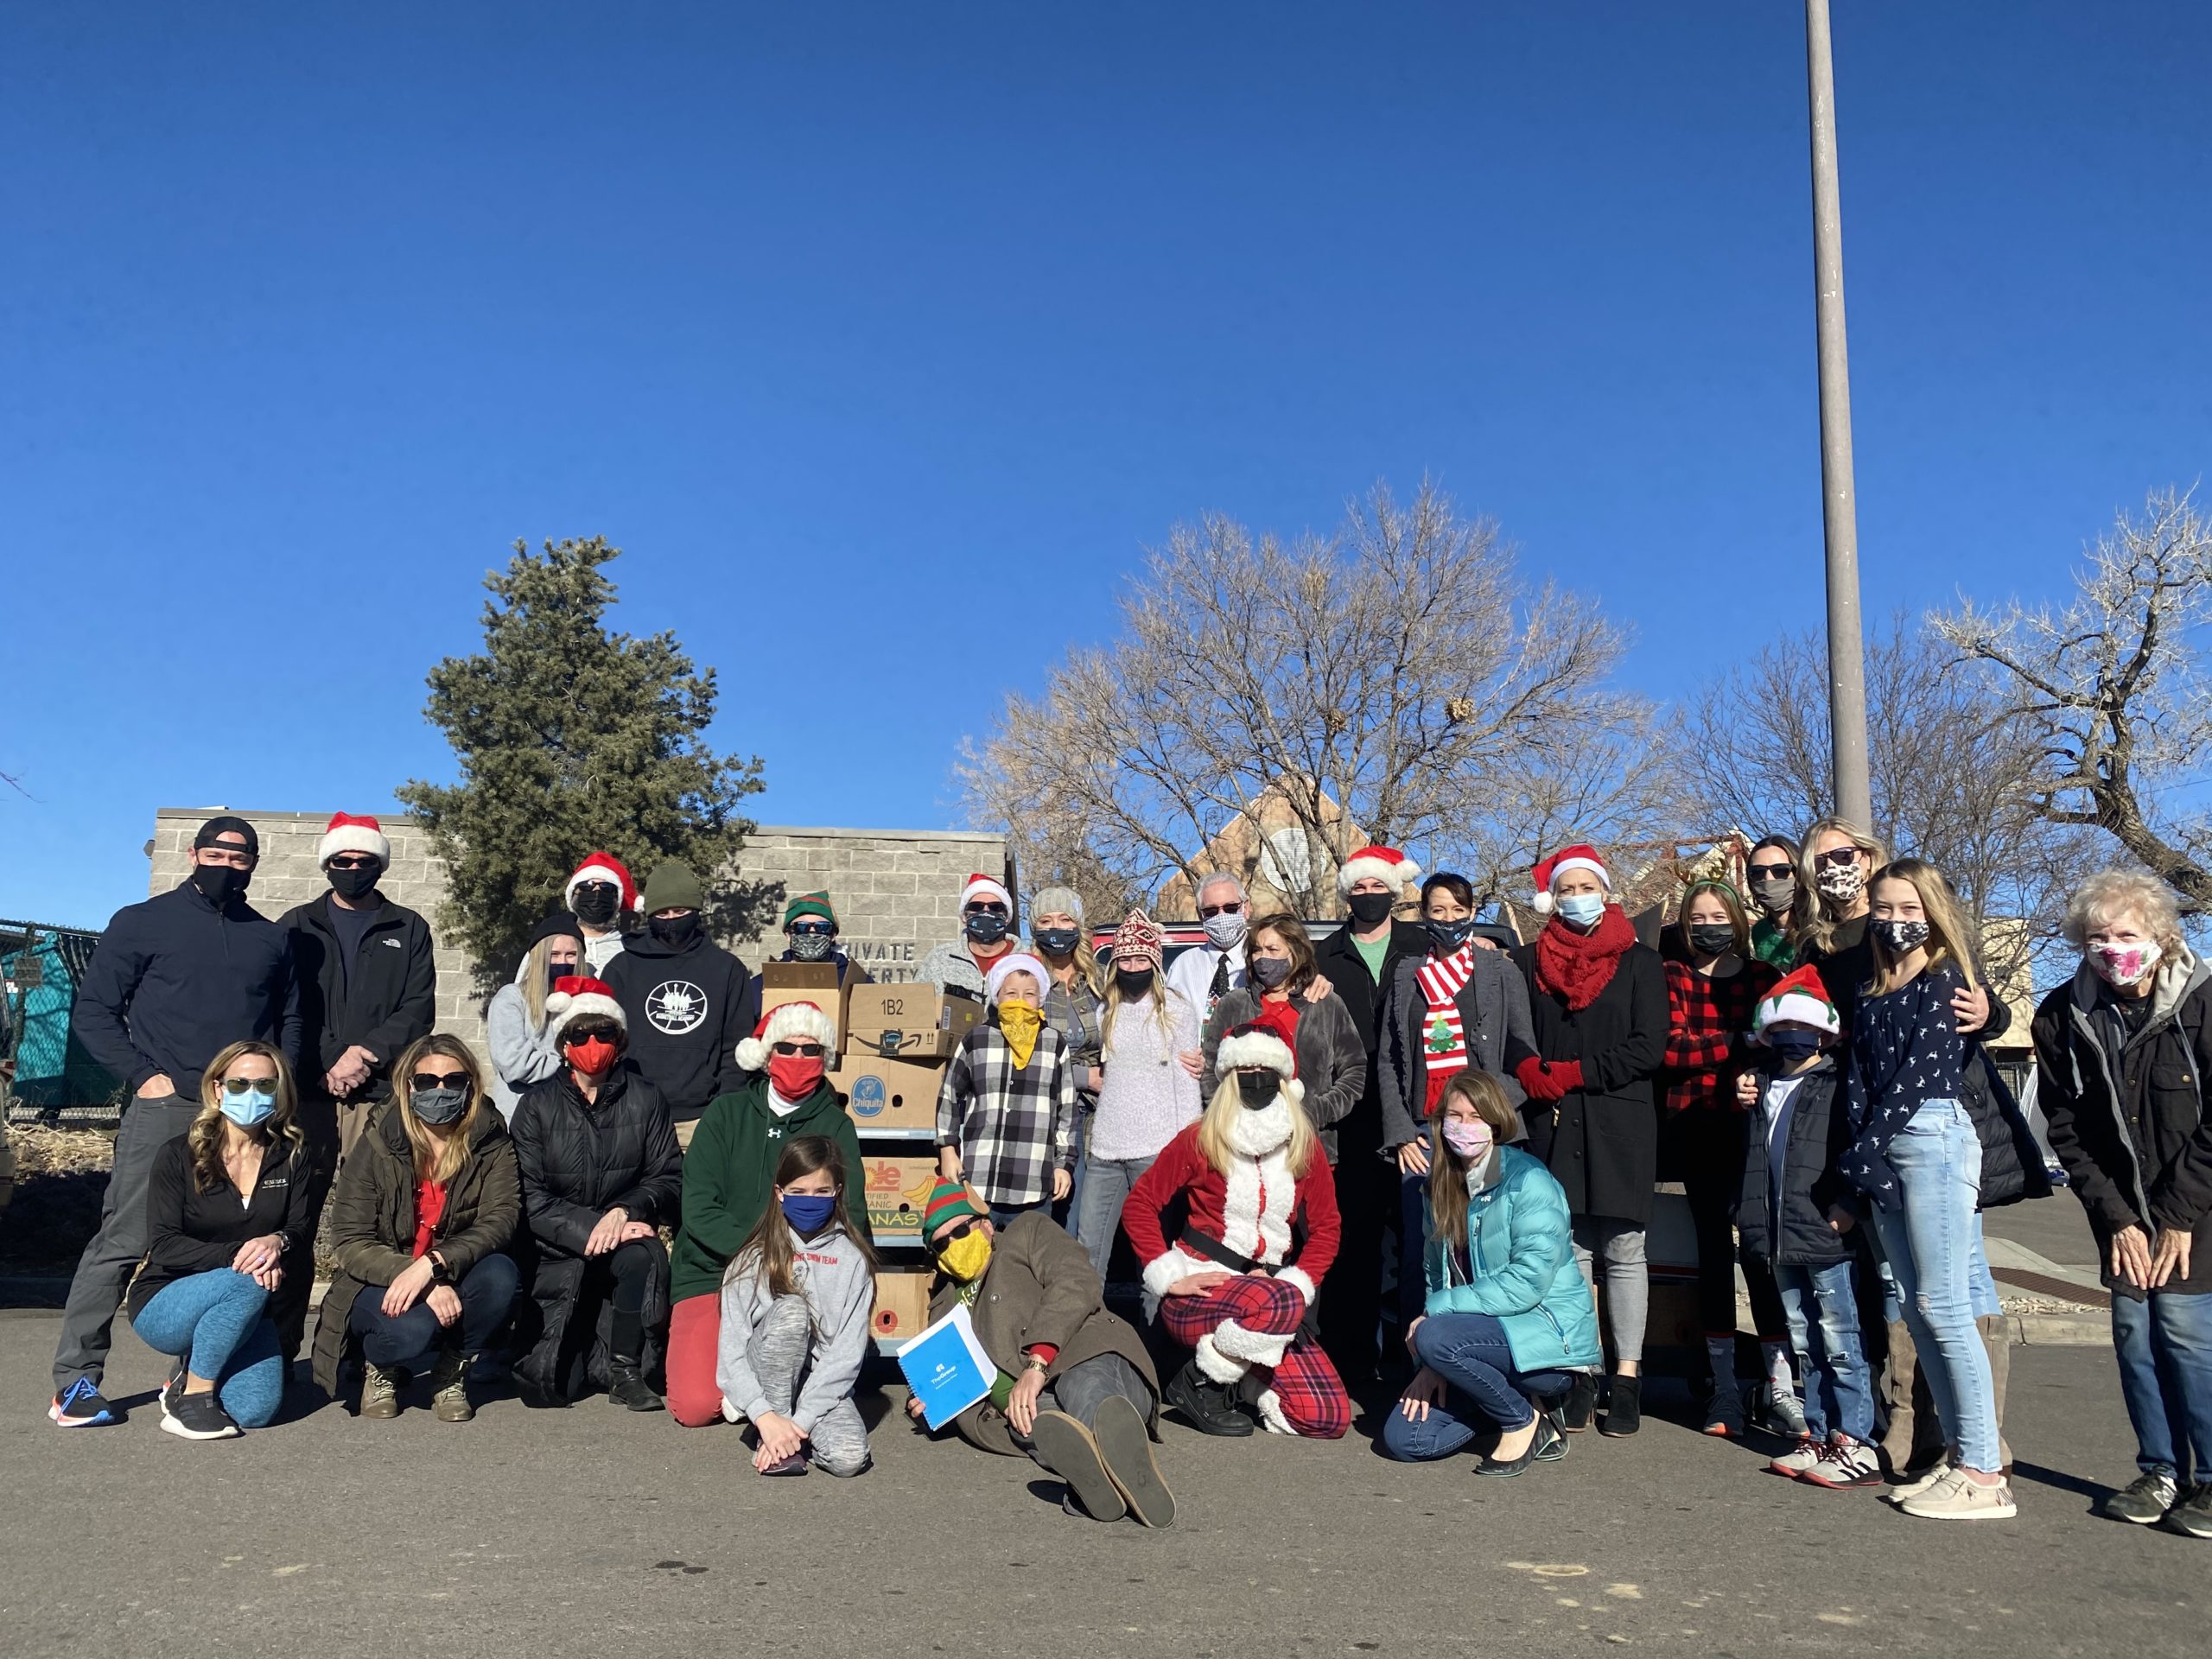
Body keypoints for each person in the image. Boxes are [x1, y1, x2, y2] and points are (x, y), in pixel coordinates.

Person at [53, 814, 303, 1428]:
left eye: (240, 857)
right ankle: (76, 1382)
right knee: (124, 1242)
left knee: (233, 1236)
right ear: (193, 854)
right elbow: (95, 1011)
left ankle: (191, 1373)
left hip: (242, 1111)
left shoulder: (270, 939)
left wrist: (276, 1085)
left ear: (254, 864)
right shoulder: (141, 922)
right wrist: (144, 1076)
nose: (227, 865)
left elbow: (290, 1021)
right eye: (216, 853)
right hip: (167, 1105)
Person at [2033, 869, 2212, 1536]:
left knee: (2186, 1336)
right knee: (2135, 1336)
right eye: (2098, 938)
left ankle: (2209, 1478)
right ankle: (2160, 1470)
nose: (2113, 950)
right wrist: (2119, 1219)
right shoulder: (2061, 1016)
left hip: (2198, 1209)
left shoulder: (2204, 1002)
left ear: (2162, 936)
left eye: (2127, 935)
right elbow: (2067, 1128)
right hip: (2123, 1214)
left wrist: (2177, 1217)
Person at [1837, 859, 2016, 1520]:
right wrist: (1863, 1152)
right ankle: (1958, 1456)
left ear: (1933, 912)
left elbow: (1919, 1075)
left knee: (1945, 1304)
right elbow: (1859, 1076)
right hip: (1884, 1145)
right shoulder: (1872, 987)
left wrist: (1866, 1148)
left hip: (1933, 1137)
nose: (1895, 921)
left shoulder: (1946, 981)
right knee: (1916, 1308)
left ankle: (1984, 1472)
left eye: (1908, 908)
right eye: (1883, 909)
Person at [1125, 1020, 1349, 1439]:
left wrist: (1298, 1281)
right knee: (1279, 1299)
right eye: (1245, 1070)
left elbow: (1327, 1228)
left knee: (1326, 1416)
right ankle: (1202, 1383)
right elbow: (1140, 1204)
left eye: (1265, 1069)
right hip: (1202, 1288)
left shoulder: (1304, 1144)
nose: (1255, 1078)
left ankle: (1240, 1380)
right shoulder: (1200, 1137)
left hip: (1273, 1297)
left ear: (1284, 1078)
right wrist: (1168, 1276)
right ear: (1229, 1076)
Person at [1510, 844, 1667, 1438]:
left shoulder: (1640, 961)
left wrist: (1575, 1073)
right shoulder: (1528, 962)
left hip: (1620, 1121)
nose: (1578, 898)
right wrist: (1528, 1066)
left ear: (1606, 891)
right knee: (1568, 1251)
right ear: (1550, 899)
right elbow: (1515, 1032)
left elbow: (1648, 1046)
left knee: (1624, 1250)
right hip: (1553, 1121)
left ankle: (1627, 1375)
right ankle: (1580, 1369)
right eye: (1567, 889)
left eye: (1587, 887)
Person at [908, 1180, 1172, 1524]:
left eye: (959, 1231)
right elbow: (942, 1372)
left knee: (1088, 1389)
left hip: (1077, 1353)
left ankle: (1111, 1468)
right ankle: (1101, 1478)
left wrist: (1037, 1363)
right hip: (1018, 1408)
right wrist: (929, 1403)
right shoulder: (941, 1305)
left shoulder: (1027, 1231)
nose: (952, 1247)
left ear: (985, 1225)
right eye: (940, 1244)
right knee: (1046, 1429)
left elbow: (1075, 1279)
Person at [1383, 1070, 1598, 1471]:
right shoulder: (1438, 1186)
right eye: (1455, 1116)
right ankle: (1512, 1409)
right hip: (1470, 1343)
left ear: (1496, 1122)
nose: (1464, 1126)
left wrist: (1435, 1326)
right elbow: (1434, 1275)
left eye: (1476, 1116)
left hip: (1546, 1341)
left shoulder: (1530, 1181)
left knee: (1434, 1334)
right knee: (1405, 1439)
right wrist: (1431, 1364)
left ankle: (1523, 1420)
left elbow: (1527, 1283)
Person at [665, 999, 864, 1427]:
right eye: (786, 1048)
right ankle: (757, 1380)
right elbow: (699, 1207)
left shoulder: (836, 1125)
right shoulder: (725, 1114)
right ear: (766, 1055)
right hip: (715, 1270)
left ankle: (766, 1391)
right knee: (696, 1407)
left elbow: (852, 1213)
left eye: (810, 1049)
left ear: (825, 1057)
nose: (798, 1058)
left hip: (799, 1276)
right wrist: (761, 1255)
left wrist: (805, 1265)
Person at [310, 1034, 521, 1423]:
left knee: (501, 1275)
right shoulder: (378, 1140)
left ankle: (451, 1371)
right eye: (427, 1081)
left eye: (454, 1081)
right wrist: (416, 1275)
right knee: (409, 1333)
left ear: (471, 1085)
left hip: (449, 1267)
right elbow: (350, 1239)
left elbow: (501, 1218)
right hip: (380, 1276)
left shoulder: (491, 1139)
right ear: (409, 1086)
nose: (440, 1090)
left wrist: (434, 1264)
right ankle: (381, 1367)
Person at [124, 1041, 325, 1440]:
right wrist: (240, 1255)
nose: (252, 1094)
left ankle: (188, 1374)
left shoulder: (293, 1155)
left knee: (255, 1410)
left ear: (280, 1091)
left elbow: (300, 1229)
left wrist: (277, 1242)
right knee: (245, 1278)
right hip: (167, 1298)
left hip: (250, 1302)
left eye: (265, 1085)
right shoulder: (177, 1155)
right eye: (239, 1084)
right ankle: (193, 1400)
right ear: (217, 1089)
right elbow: (164, 1245)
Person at [1378, 871, 1538, 1355]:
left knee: (1486, 1249)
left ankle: (1486, 1356)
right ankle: (1421, 1360)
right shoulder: (1406, 974)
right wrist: (1400, 1132)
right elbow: (1388, 1059)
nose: (1448, 919)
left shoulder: (1499, 972)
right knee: (1422, 1251)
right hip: (1423, 1138)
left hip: (1486, 1135)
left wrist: (1489, 1111)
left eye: (1458, 910)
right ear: (1424, 915)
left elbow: (1523, 1053)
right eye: (1438, 910)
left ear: (1472, 914)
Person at [1658, 877, 1794, 1439]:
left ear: (1737, 922)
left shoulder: (1765, 979)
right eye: (1698, 919)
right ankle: (1724, 1387)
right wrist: (1740, 1042)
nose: (1709, 927)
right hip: (1695, 1129)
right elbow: (1671, 1049)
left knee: (1761, 1254)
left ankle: (1782, 1383)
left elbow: (1784, 1045)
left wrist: (1750, 1063)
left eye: (1719, 917)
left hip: (1754, 1130)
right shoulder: (1672, 976)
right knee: (1713, 1254)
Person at [1735, 966, 1880, 1488]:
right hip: (1778, 1235)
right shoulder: (1761, 1085)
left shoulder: (1839, 1081)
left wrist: (1848, 1203)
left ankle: (1855, 1440)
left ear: (1824, 1031)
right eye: (1780, 1027)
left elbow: (1859, 1144)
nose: (1790, 1035)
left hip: (1825, 1232)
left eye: (1802, 1026)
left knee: (1841, 1340)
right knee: (1805, 1342)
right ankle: (1818, 1433)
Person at [509, 976, 683, 1410]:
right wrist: (593, 1227)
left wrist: (625, 1211)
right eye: (580, 1034)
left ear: (619, 1041)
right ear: (564, 1044)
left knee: (642, 1256)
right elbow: (528, 1195)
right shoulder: (536, 1106)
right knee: (553, 1387)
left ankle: (626, 1371)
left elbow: (666, 1177)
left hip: (624, 1237)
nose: (593, 1043)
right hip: (555, 1248)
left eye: (604, 1033)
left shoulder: (647, 1099)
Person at [1313, 845, 1429, 1385]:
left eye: (1377, 886)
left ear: (1394, 891)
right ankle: (1350, 1365)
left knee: (1418, 1243)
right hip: (1351, 1119)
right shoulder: (1326, 955)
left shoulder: (1422, 945)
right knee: (1352, 1244)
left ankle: (1418, 1363)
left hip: (1413, 1114)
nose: (1367, 896)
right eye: (1357, 888)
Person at [715, 1135, 877, 1477]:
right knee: (792, 1310)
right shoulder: (753, 1258)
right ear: (780, 1193)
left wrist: (801, 1422)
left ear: (837, 1192)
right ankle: (770, 1431)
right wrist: (763, 1414)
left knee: (849, 1458)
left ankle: (787, 1438)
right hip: (766, 1378)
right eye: (799, 1191)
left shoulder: (852, 1262)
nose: (810, 1201)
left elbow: (846, 1356)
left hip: (819, 1386)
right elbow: (730, 1352)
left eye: (822, 1191)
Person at [283, 811, 437, 1162]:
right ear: (328, 864)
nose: (353, 869)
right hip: (308, 1087)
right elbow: (285, 1003)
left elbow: (418, 1008)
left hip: (377, 1091)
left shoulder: (409, 927)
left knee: (369, 1194)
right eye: (343, 861)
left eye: (364, 862)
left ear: (380, 865)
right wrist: (331, 1056)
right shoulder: (295, 925)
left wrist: (364, 1056)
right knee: (300, 1192)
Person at [1077, 910, 1204, 1290]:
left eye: (1141, 959)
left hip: (1156, 1153)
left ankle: (1154, 1329)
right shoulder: (1106, 1010)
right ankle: (1087, 1323)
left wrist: (1187, 1146)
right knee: (1088, 1253)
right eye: (1126, 960)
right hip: (1106, 1150)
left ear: (1154, 963)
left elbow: (1188, 1082)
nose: (1133, 967)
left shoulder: (1176, 1011)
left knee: (1153, 1259)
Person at [602, 860, 750, 1146]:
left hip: (701, 1120)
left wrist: (724, 1111)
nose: (671, 919)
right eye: (662, 913)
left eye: (680, 911)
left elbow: (737, 1047)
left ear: (696, 911)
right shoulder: (622, 967)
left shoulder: (727, 969)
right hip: (634, 1114)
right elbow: (607, 1042)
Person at [938, 953, 1079, 1224]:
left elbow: (1067, 1111)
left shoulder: (1054, 1044)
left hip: (1032, 1182)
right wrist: (948, 1150)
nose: (1020, 1001)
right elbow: (949, 1097)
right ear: (997, 996)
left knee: (1027, 1250)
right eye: (1011, 993)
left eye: (1029, 994)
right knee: (976, 1249)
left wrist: (1064, 1165)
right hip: (979, 1180)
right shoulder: (977, 1040)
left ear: (1041, 999)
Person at [1029, 887, 1106, 1223]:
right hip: (1044, 1116)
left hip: (1094, 1118)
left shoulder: (1100, 981)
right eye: (1046, 921)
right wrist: (1084, 1077)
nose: (1056, 928)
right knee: (1050, 1221)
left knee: (1088, 1222)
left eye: (1065, 920)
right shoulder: (1025, 980)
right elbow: (1023, 1056)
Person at [732, 891, 874, 1038]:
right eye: (801, 927)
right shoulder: (762, 984)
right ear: (788, 934)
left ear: (832, 935)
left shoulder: (855, 980)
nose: (812, 933)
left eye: (822, 927)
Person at [486, 912, 584, 1119]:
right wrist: (572, 1068)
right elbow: (514, 1064)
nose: (562, 961)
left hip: (573, 1118)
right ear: (539, 955)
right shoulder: (511, 998)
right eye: (554, 954)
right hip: (521, 1116)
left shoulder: (589, 1002)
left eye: (571, 954)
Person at [1166, 872, 1251, 1022]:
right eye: (1211, 911)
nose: (1221, 916)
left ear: (1246, 907)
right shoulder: (1183, 966)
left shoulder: (1264, 961)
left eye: (1230, 908)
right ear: (1200, 915)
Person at [918, 872, 1020, 996]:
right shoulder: (938, 959)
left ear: (1007, 917)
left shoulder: (1026, 959)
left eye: (996, 907)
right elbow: (917, 1004)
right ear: (964, 916)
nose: (986, 912)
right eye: (976, 907)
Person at [563, 851, 637, 974]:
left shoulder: (631, 948)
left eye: (606, 887)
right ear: (573, 895)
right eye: (586, 886)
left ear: (616, 899)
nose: (597, 894)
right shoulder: (555, 945)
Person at [1745, 835, 1805, 969]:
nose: (1768, 879)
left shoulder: (1820, 928)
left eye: (1780, 870)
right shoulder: (1760, 932)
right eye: (1757, 872)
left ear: (1798, 873)